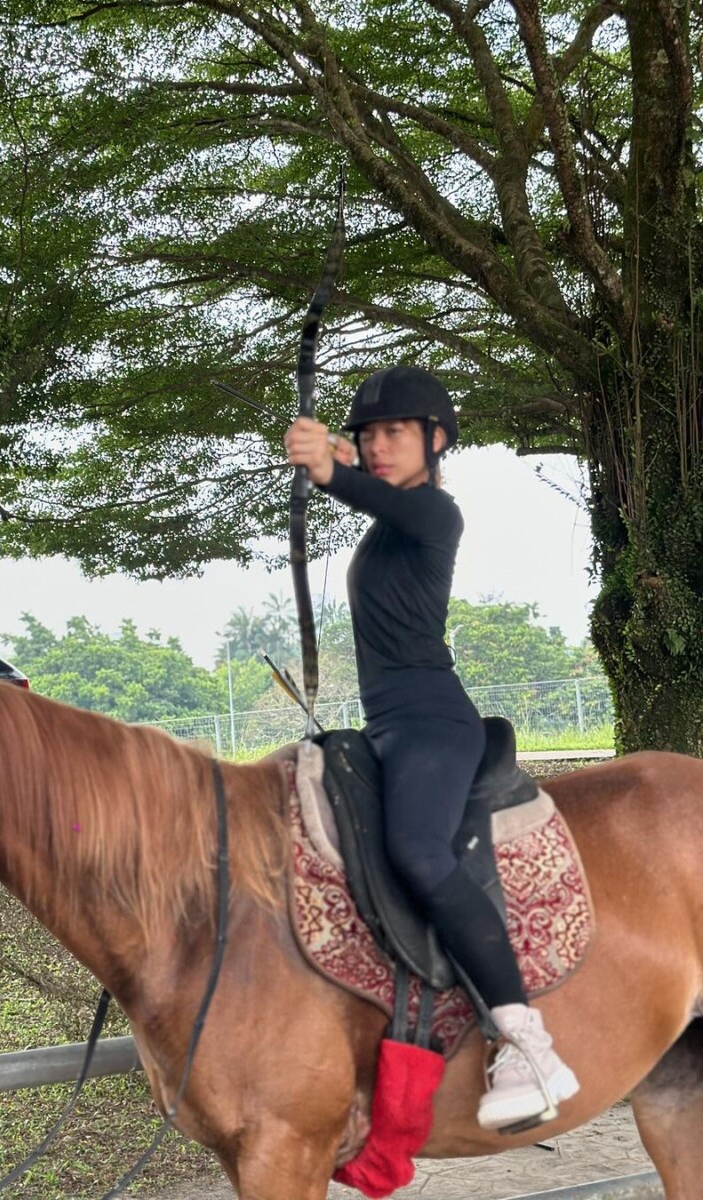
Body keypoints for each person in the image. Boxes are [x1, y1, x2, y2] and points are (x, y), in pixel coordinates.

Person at [284, 364, 579, 1132]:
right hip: (386, 726)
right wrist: (336, 471)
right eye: (368, 434)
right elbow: (376, 497)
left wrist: (329, 472)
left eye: (396, 432)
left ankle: (524, 1038)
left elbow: (383, 498)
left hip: (431, 722)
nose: (378, 445)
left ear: (436, 439)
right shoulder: (389, 521)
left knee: (417, 851)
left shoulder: (437, 515)